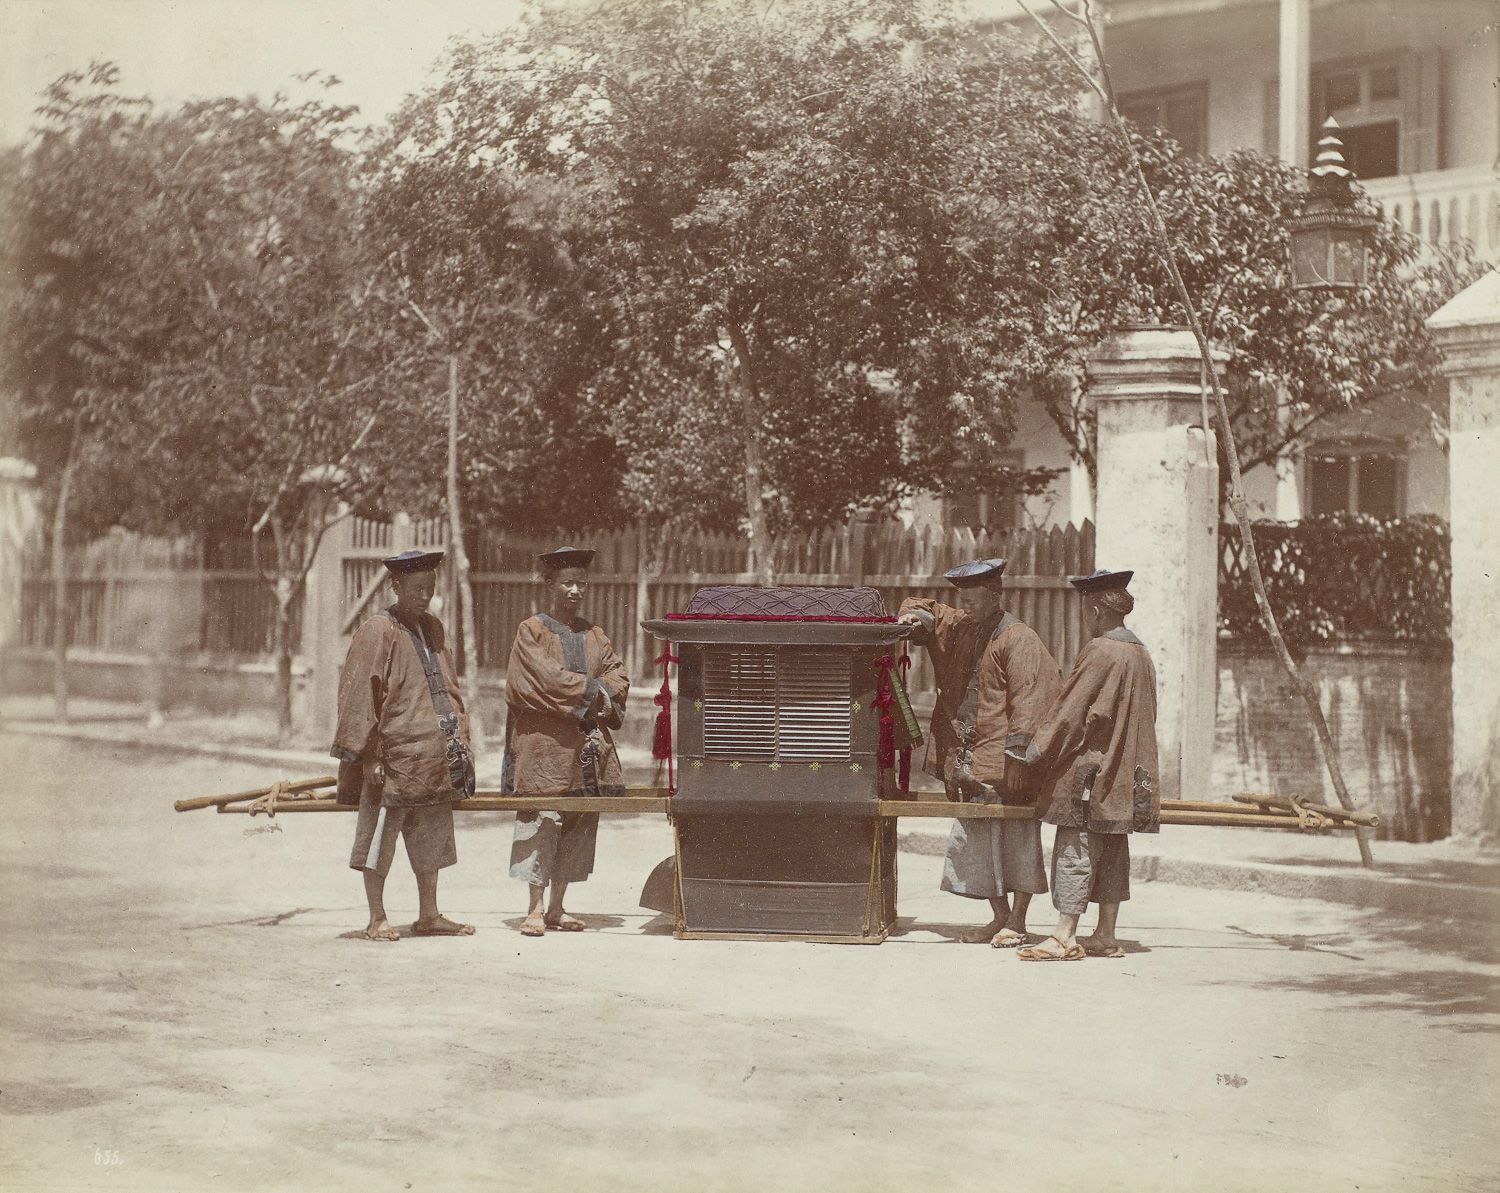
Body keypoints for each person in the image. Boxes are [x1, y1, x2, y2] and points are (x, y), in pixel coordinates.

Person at [897, 558, 1063, 946]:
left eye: (974, 599)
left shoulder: (1019, 638)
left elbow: (1033, 698)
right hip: (966, 759)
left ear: (995, 596)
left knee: (1018, 840)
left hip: (1004, 760)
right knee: (976, 839)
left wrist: (1020, 757)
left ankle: (1018, 921)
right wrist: (915, 619)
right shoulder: (962, 627)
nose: (966, 606)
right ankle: (1000, 916)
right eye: (963, 599)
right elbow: (927, 609)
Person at [1013, 568, 1160, 962]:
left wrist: (1035, 754)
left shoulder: (1100, 650)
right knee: (1113, 847)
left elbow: (1068, 714)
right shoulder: (1141, 653)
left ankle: (1064, 935)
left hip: (1091, 770)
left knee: (1075, 846)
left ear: (1095, 609)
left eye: (1083, 608)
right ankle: (1106, 935)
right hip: (1125, 772)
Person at [331, 549, 477, 942]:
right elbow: (359, 694)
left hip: (432, 757)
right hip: (391, 759)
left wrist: (460, 737)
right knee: (379, 836)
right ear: (395, 586)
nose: (424, 595)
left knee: (431, 837)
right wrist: (369, 755)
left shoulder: (434, 629)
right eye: (416, 588)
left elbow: (450, 687)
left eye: (429, 588)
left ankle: (429, 914)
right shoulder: (378, 630)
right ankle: (377, 916)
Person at [504, 546, 629, 937]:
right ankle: (535, 908)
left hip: (588, 748)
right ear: (550, 584)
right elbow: (541, 680)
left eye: (582, 583)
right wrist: (593, 693)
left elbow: (618, 676)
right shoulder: (532, 631)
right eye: (567, 582)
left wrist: (599, 693)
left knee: (578, 820)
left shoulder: (594, 634)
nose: (576, 590)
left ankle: (558, 907)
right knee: (543, 820)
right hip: (544, 745)